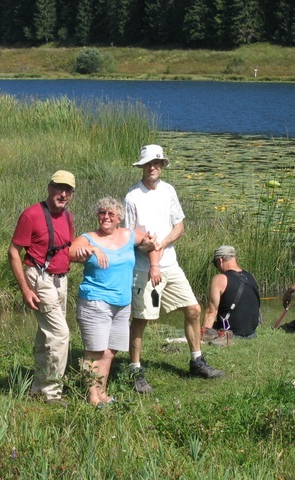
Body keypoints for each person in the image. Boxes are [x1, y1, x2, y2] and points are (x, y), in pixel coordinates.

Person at [124, 144, 225, 394]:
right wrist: (148, 247)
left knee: (193, 309)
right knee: (141, 319)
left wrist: (164, 242)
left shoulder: (169, 190)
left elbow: (179, 225)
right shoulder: (132, 197)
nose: (153, 167)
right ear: (142, 166)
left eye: (157, 163)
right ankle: (135, 369)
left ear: (162, 166)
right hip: (144, 267)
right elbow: (129, 235)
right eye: (148, 163)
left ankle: (196, 361)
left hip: (171, 264)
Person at [70, 197, 155, 406]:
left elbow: (152, 242)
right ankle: (92, 397)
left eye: (110, 214)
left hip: (122, 303)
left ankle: (102, 392)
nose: (105, 217)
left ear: (119, 218)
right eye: (101, 213)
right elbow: (71, 251)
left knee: (110, 351)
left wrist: (153, 260)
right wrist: (93, 249)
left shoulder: (128, 235)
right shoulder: (88, 238)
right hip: (95, 302)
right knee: (94, 352)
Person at [7, 170, 76, 404]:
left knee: (47, 334)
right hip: (39, 277)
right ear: (49, 188)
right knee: (60, 334)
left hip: (61, 279)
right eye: (59, 188)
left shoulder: (68, 217)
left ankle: (37, 387)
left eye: (68, 190)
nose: (63, 194)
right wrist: (26, 289)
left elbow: (66, 249)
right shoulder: (31, 215)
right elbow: (13, 252)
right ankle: (52, 392)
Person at [202, 245, 261, 344]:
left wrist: (203, 335)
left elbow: (211, 312)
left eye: (216, 264)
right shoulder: (251, 277)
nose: (217, 268)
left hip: (230, 334)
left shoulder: (219, 279)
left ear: (220, 260)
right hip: (252, 333)